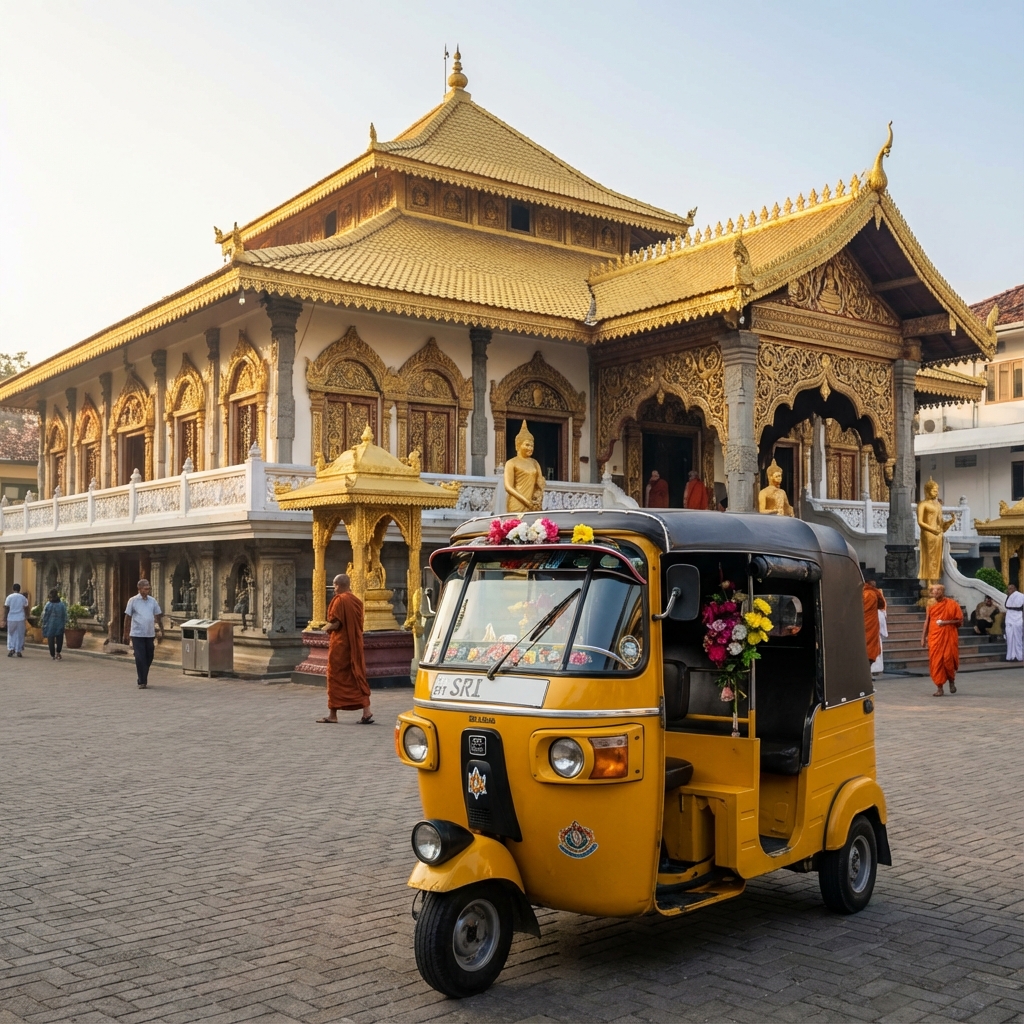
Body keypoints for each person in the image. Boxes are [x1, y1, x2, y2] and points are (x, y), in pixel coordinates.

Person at [317, 574, 372, 724]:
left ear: (339, 585)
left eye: (334, 586)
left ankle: (332, 715)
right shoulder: (357, 601)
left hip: (340, 646)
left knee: (335, 676)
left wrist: (323, 628)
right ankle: (366, 711)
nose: (334, 589)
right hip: (354, 644)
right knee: (357, 674)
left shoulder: (340, 600)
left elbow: (336, 623)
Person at [920, 583, 963, 696]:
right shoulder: (930, 604)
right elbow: (927, 621)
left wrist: (946, 622)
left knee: (948, 659)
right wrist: (923, 637)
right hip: (934, 636)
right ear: (931, 593)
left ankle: (951, 681)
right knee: (936, 661)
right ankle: (939, 687)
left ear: (943, 592)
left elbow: (959, 621)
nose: (936, 593)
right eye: (934, 591)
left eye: (939, 591)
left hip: (948, 635)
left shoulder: (952, 604)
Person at [123, 579, 164, 689]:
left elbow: (158, 615)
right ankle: (142, 680)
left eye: (148, 589)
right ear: (139, 589)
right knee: (140, 657)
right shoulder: (133, 601)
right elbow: (127, 617)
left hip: (149, 633)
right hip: (137, 633)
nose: (147, 591)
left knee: (149, 656)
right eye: (145, 589)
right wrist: (125, 633)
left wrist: (161, 628)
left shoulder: (152, 601)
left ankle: (143, 674)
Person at [916, 478, 954, 583]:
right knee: (929, 557)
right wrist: (932, 530)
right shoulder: (923, 504)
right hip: (928, 534)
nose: (936, 492)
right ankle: (928, 582)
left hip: (938, 535)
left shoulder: (938, 505)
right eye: (934, 490)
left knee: (937, 560)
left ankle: (935, 581)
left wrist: (949, 522)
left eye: (937, 490)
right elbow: (920, 522)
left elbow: (940, 522)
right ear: (927, 491)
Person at [503, 421, 545, 513]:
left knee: (535, 527)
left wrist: (538, 496)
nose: (530, 448)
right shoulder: (511, 463)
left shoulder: (535, 463)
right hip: (517, 502)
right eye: (527, 445)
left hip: (532, 503)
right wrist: (526, 502)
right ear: (518, 445)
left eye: (532, 445)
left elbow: (540, 483)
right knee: (515, 526)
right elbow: (508, 487)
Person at [862, 580, 887, 668]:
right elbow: (881, 604)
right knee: (869, 650)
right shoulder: (872, 593)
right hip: (870, 625)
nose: (875, 584)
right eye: (873, 582)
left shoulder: (860, 593)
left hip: (862, 624)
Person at [3, 583, 31, 658]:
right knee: (20, 634)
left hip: (11, 618)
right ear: (19, 589)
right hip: (20, 618)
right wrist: (27, 616)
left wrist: (4, 618)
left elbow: (6, 608)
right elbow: (26, 608)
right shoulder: (23, 598)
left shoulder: (9, 597)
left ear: (13, 589)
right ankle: (18, 650)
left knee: (11, 634)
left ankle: (12, 648)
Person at [42, 588, 67, 661]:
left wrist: (44, 623)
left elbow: (44, 615)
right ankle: (58, 652)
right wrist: (65, 622)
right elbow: (65, 614)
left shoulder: (48, 604)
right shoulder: (61, 605)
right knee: (59, 639)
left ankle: (52, 654)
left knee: (51, 640)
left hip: (50, 624)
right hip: (60, 624)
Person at [1004, 583, 1023, 662]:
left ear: (1015, 588)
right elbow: (1007, 606)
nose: (1009, 590)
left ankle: (1019, 656)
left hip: (1018, 617)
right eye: (1009, 589)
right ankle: (1010, 656)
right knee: (1010, 637)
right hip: (1009, 617)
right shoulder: (1008, 597)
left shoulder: (1021, 596)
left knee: (1018, 638)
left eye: (1011, 588)